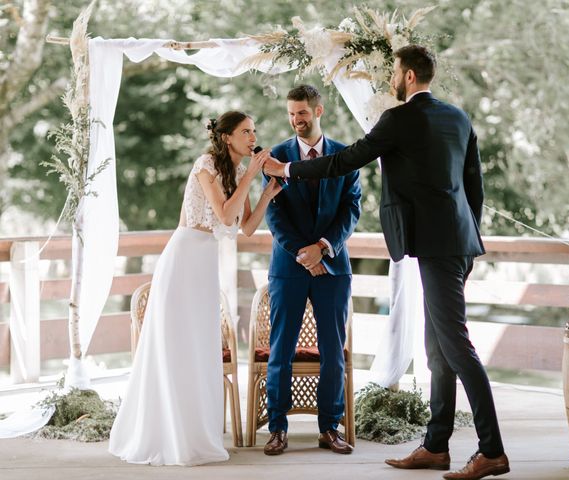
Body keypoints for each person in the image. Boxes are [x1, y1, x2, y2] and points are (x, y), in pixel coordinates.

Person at [262, 46, 509, 480]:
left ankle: (491, 450)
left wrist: (287, 172)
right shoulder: (458, 117)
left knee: (456, 347)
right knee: (437, 351)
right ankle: (436, 446)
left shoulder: (399, 118)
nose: (393, 79)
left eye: (395, 71)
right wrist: (468, 238)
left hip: (436, 246)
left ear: (410, 76)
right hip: (459, 244)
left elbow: (344, 160)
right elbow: (475, 186)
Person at [109, 111, 281, 466]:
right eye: (246, 132)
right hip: (183, 258)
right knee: (175, 344)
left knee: (199, 345)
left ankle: (195, 433)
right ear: (227, 138)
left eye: (255, 131)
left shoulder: (238, 174)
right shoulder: (206, 165)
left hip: (205, 265)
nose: (253, 138)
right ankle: (168, 435)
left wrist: (265, 192)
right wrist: (251, 174)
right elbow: (222, 214)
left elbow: (245, 227)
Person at [262, 85, 361, 456]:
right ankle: (277, 428)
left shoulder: (344, 156)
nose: (296, 119)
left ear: (319, 111)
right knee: (280, 351)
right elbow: (273, 214)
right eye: (291, 113)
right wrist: (302, 254)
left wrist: (322, 249)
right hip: (288, 268)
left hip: (333, 267)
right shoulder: (276, 158)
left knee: (333, 351)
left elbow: (351, 209)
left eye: (302, 112)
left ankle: (330, 428)